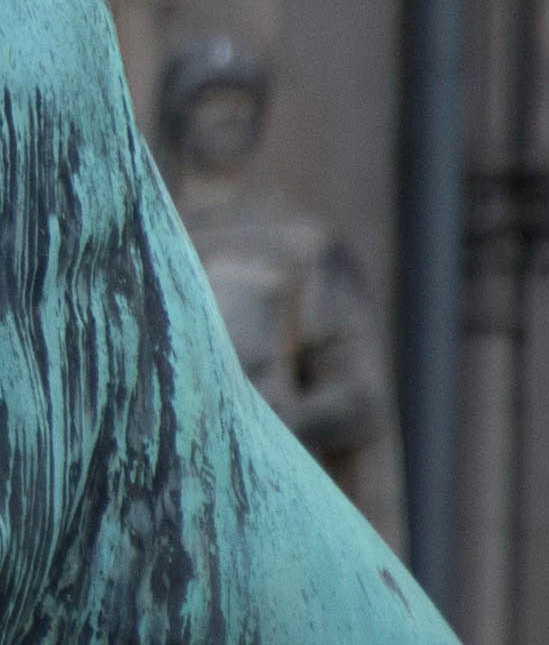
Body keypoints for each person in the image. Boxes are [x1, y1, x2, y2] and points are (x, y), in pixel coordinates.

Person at [156, 39, 406, 551]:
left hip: (262, 504)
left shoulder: (300, 246)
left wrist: (276, 419)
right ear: (180, 112)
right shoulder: (146, 240)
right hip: (161, 497)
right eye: (213, 98)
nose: (232, 113)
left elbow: (361, 393)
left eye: (243, 100)